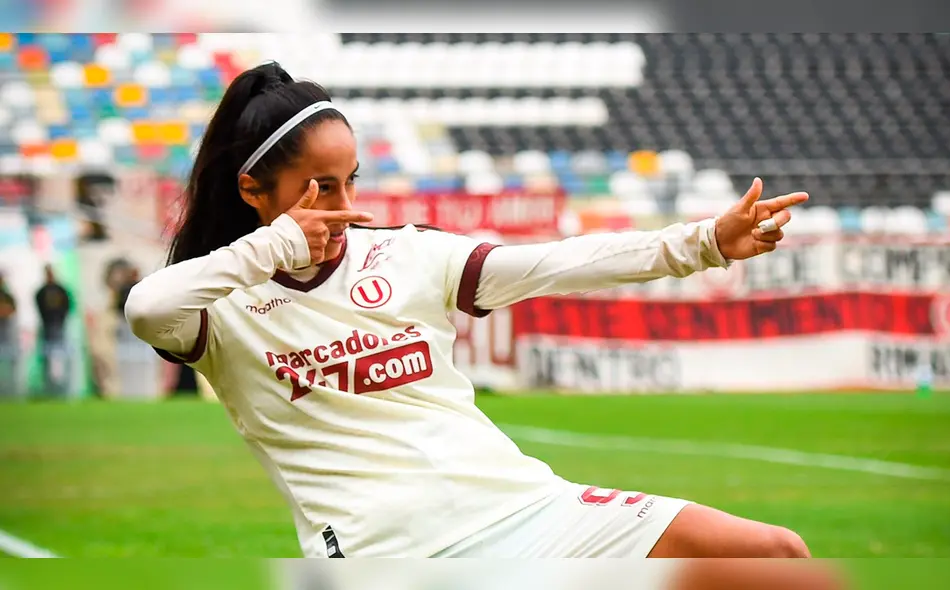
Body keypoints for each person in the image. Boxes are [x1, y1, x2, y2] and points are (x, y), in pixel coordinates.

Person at [125, 63, 811, 560]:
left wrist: (703, 243)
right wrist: (272, 245)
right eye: (320, 188)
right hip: (385, 560)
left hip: (526, 513)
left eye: (351, 181)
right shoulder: (219, 303)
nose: (342, 206)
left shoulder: (403, 256)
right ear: (254, 188)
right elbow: (147, 309)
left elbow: (560, 263)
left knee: (773, 557)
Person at [35, 264, 72, 396]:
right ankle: (48, 385)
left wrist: (61, 320)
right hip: (47, 327)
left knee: (60, 357)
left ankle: (61, 386)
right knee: (47, 357)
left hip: (59, 326)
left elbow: (67, 305)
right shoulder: (42, 291)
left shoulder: (59, 290)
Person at [0, 271, 19, 398]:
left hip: (8, 336)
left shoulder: (8, 296)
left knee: (11, 365)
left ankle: (13, 391)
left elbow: (11, 310)